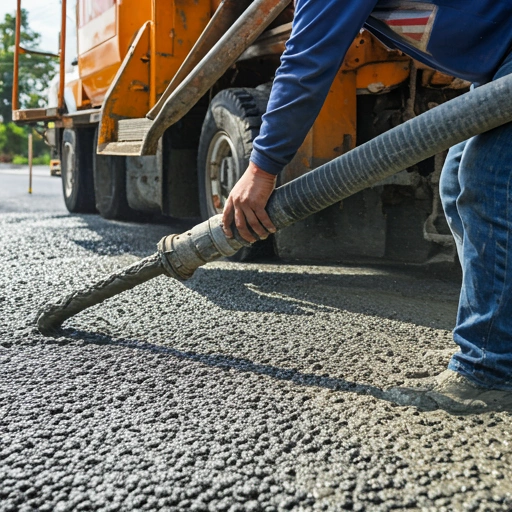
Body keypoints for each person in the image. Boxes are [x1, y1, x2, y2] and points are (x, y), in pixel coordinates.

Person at [222, 0, 512, 412]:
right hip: (499, 64)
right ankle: (495, 343)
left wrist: (262, 168)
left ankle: (489, 369)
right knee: (456, 183)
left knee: (487, 184)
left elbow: (308, 62)